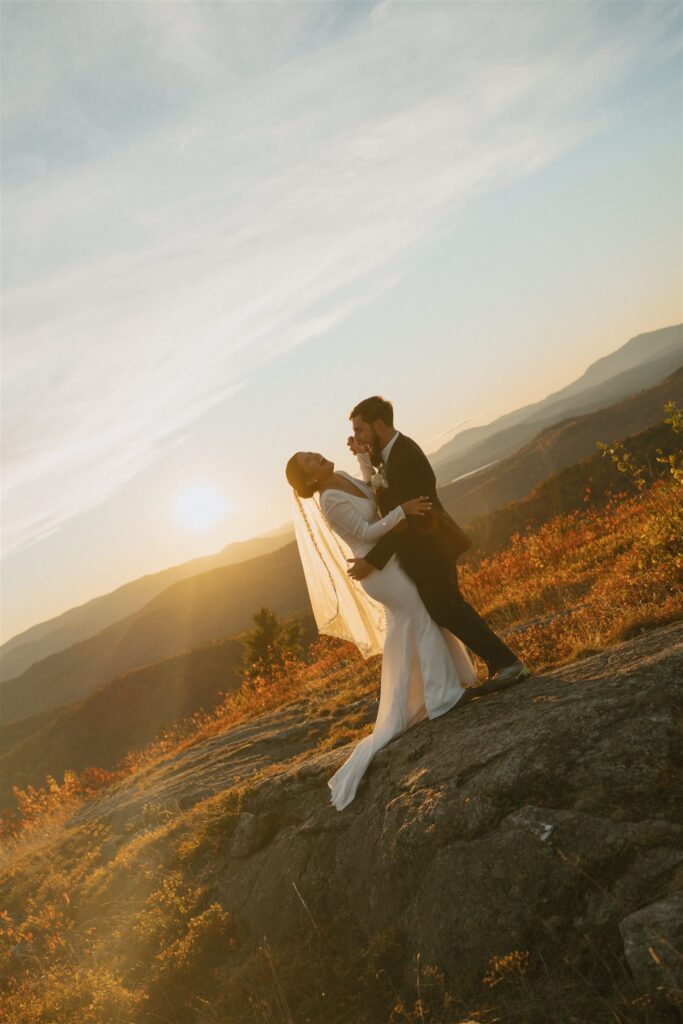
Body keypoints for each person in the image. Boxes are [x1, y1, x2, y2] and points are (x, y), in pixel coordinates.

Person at [285, 446, 478, 811]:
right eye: (309, 460)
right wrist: (402, 511)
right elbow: (367, 530)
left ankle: (433, 690)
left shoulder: (340, 476)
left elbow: (367, 489)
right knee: (419, 615)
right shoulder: (328, 501)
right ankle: (440, 698)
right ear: (310, 479)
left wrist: (362, 458)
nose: (317, 455)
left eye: (312, 452)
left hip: (388, 563)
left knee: (413, 621)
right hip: (378, 571)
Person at [347, 395, 529, 684]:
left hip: (431, 546)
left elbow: (404, 521)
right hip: (426, 548)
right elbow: (384, 491)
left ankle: (508, 663)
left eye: (360, 430)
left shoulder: (405, 456)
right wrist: (363, 454)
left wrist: (372, 560)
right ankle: (500, 662)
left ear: (379, 425)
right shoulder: (390, 453)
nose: (354, 436)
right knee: (447, 607)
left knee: (447, 607)